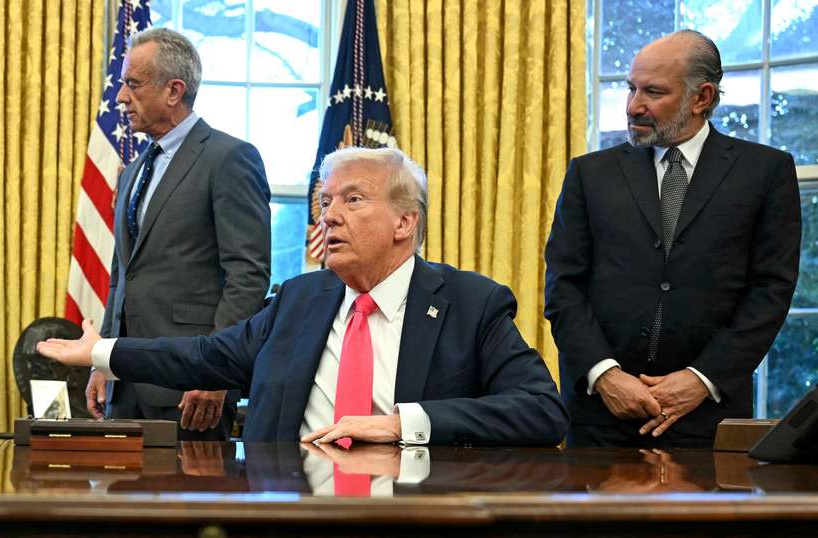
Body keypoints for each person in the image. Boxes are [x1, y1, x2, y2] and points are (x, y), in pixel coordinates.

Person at [41, 146, 568, 448]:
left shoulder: (470, 304)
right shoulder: (299, 300)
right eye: (325, 201)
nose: (328, 216)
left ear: (405, 222)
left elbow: (542, 410)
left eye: (352, 200)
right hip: (291, 520)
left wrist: (404, 424)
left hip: (410, 524)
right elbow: (203, 356)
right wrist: (100, 352)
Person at [545, 30, 800, 448]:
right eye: (631, 88)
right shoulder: (589, 174)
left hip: (709, 418)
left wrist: (701, 379)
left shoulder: (766, 172)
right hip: (600, 418)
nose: (633, 105)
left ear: (701, 97)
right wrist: (605, 375)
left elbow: (771, 290)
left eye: (653, 92)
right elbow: (563, 286)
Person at [90, 27, 271, 440]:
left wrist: (216, 370)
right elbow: (123, 277)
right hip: (125, 383)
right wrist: (103, 360)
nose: (121, 97)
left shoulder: (229, 159)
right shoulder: (134, 171)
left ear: (174, 90)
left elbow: (247, 276)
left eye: (133, 84)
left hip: (190, 388)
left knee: (191, 486)